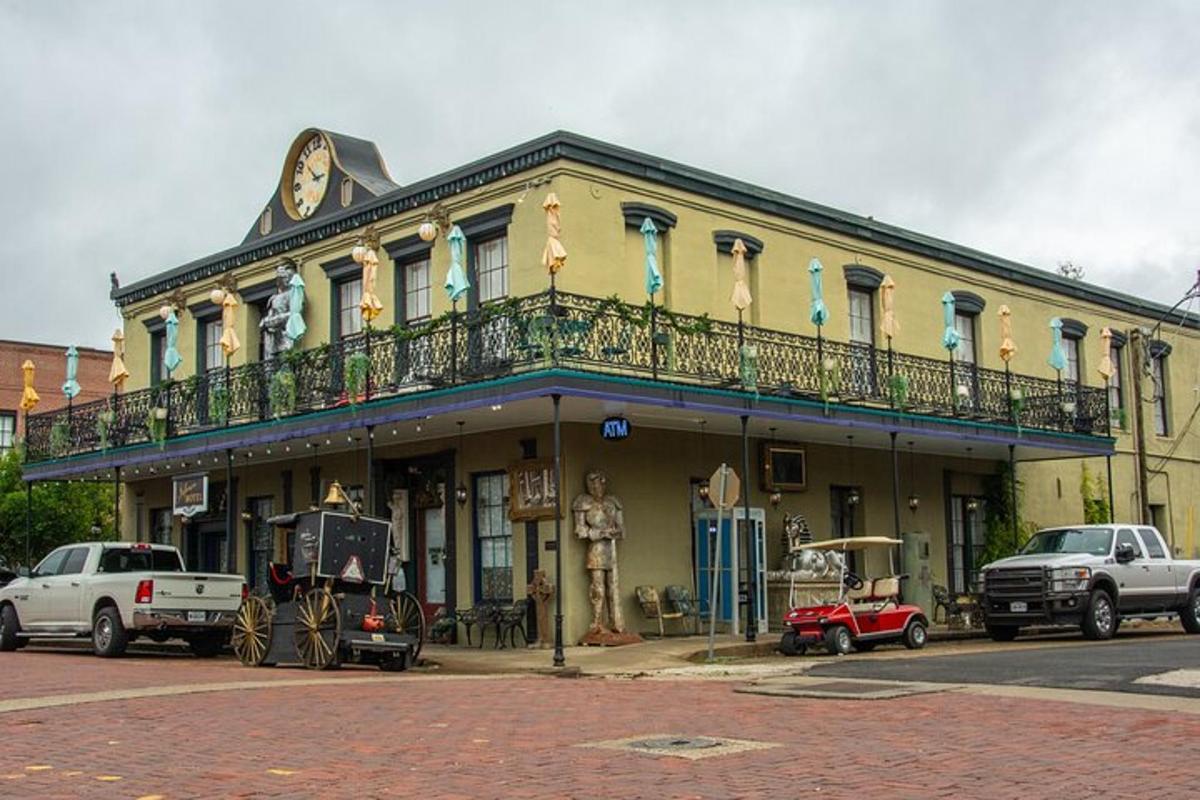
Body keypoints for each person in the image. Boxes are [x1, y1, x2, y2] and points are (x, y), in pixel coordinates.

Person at [572, 469, 625, 634]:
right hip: (596, 549)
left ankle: (615, 622)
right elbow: (580, 530)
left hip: (611, 547)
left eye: (601, 484)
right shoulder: (583, 503)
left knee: (613, 586)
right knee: (598, 587)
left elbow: (622, 529)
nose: (598, 488)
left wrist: (615, 531)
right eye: (594, 485)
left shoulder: (613, 502)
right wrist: (598, 533)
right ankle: (597, 622)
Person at [259, 263, 296, 361]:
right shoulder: (273, 298)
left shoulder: (293, 294)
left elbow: (294, 314)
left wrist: (271, 321)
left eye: (286, 278)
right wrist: (265, 322)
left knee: (285, 363)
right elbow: (270, 315)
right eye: (282, 278)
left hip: (286, 335)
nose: (285, 280)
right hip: (272, 338)